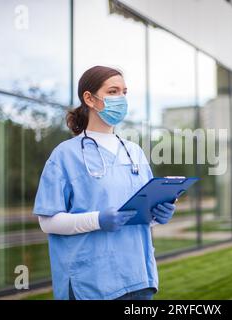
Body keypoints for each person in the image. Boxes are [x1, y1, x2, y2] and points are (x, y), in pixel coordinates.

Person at [33, 65, 176, 300]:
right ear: (89, 98)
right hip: (91, 282)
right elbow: (47, 222)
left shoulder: (134, 152)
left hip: (138, 277)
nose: (121, 98)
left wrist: (157, 215)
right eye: (113, 91)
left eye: (124, 92)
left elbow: (139, 215)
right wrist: (97, 220)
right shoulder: (65, 155)